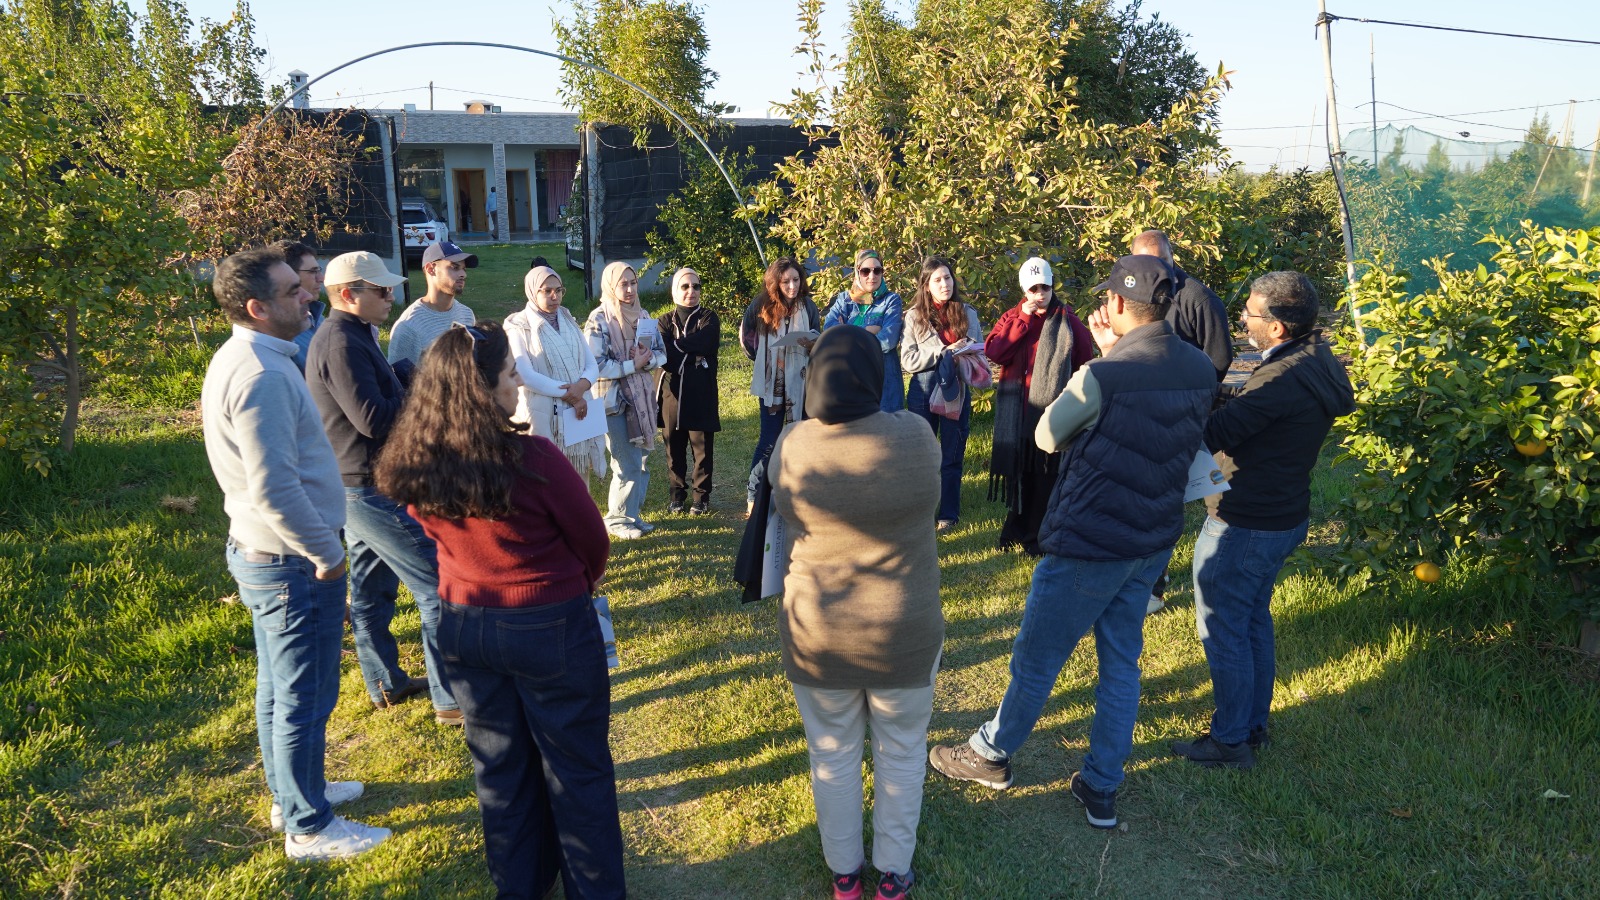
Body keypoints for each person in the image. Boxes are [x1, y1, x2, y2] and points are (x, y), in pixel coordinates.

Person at [929, 255, 1216, 831]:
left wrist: (1104, 362)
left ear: (1113, 306)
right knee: (1121, 663)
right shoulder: (1201, 369)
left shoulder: (1102, 374)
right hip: (1152, 539)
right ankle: (1102, 784)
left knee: (1037, 658)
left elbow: (1047, 433)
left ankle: (990, 754)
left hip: (1091, 539)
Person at [373, 322, 625, 899]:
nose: (518, 384)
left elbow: (422, 523)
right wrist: (572, 582)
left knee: (500, 768)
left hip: (465, 625)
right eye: (511, 374)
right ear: (480, 390)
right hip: (550, 624)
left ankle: (521, 885)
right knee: (577, 768)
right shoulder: (533, 458)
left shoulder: (415, 462)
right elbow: (592, 538)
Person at [201, 246, 388, 861]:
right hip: (290, 560)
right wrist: (326, 557)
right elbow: (274, 487)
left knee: (279, 688)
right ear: (257, 308)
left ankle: (292, 792)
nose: (308, 295)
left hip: (267, 553)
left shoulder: (251, 356)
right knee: (304, 696)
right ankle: (309, 826)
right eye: (292, 291)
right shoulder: (260, 374)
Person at [770, 325, 941, 900]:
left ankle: (845, 873)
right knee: (902, 749)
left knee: (832, 752)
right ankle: (894, 871)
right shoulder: (918, 437)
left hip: (818, 632)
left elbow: (775, 494)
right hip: (905, 630)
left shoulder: (794, 445)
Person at [1171, 271, 1354, 769]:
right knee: (1251, 621)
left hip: (1245, 523)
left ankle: (1230, 740)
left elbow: (1219, 430)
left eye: (1251, 314)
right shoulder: (1314, 360)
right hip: (1282, 516)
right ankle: (1251, 725)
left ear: (1276, 327)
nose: (1244, 322)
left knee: (1224, 627)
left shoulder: (1280, 376)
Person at [306, 251, 460, 725]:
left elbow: (380, 396)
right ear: (349, 295)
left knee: (372, 589)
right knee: (438, 588)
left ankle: (383, 683)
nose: (392, 296)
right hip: (366, 487)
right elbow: (374, 420)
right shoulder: (340, 344)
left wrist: (400, 380)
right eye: (382, 290)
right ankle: (451, 700)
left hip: (357, 483)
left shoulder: (355, 334)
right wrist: (414, 389)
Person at [1130, 229, 1234, 614]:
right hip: (1144, 414)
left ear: (1172, 258)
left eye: (1160, 262)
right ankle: (1151, 584)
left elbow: (1219, 360)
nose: (1154, 271)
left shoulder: (1198, 299)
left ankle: (1204, 577)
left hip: (1187, 416)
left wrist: (1185, 394)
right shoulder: (1137, 295)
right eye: (1145, 264)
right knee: (1151, 502)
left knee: (1197, 499)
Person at [984, 257, 1093, 555]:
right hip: (1018, 412)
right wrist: (1022, 319)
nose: (1040, 294)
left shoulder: (1066, 320)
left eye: (1044, 287)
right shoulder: (1012, 317)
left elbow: (1085, 357)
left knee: (1044, 476)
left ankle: (1037, 536)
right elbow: (995, 351)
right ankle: (1014, 532)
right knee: (1021, 475)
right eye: (1033, 289)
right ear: (1024, 290)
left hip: (1050, 412)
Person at [900, 257, 985, 532]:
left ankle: (948, 515)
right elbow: (908, 360)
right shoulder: (914, 316)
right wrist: (941, 352)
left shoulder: (967, 313)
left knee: (952, 453)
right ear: (926, 286)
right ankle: (920, 512)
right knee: (921, 454)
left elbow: (979, 352)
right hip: (924, 388)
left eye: (947, 278)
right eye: (937, 280)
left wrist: (964, 352)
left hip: (955, 389)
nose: (944, 284)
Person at [584, 261, 667, 539]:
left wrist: (648, 359)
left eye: (633, 282)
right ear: (611, 286)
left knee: (640, 459)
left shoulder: (643, 315)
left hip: (642, 398)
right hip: (613, 402)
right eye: (623, 284)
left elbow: (661, 353)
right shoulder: (599, 319)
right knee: (625, 461)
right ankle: (617, 520)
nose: (630, 289)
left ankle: (632, 515)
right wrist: (634, 365)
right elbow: (595, 365)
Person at [505, 265, 607, 481]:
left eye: (559, 290)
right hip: (542, 412)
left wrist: (580, 387)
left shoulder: (567, 319)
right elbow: (525, 374)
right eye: (547, 291)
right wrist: (570, 395)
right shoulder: (518, 325)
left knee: (579, 479)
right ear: (533, 291)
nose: (555, 296)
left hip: (577, 409)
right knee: (545, 476)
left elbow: (591, 365)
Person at [741, 257, 819, 512]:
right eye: (786, 282)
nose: (792, 286)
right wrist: (765, 360)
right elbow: (747, 338)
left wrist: (811, 345)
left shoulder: (808, 306)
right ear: (776, 283)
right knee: (770, 440)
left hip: (801, 382)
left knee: (801, 436)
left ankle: (799, 492)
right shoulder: (760, 305)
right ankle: (755, 495)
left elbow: (818, 337)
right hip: (771, 384)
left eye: (796, 280)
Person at [657, 267, 721, 516]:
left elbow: (708, 341)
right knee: (673, 448)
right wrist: (690, 355)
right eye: (685, 286)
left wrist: (674, 347)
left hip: (700, 392)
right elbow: (664, 357)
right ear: (674, 290)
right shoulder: (664, 321)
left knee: (702, 448)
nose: (691, 291)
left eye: (696, 286)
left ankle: (701, 498)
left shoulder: (709, 318)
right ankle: (676, 496)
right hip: (670, 393)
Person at [823, 249, 904, 412]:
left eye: (877, 270)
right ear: (857, 272)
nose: (872, 276)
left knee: (885, 434)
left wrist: (846, 331)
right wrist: (869, 330)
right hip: (850, 378)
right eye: (866, 271)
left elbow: (888, 341)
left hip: (884, 381)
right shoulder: (844, 299)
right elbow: (829, 331)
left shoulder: (891, 300)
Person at [387, 241, 478, 371]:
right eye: (455, 267)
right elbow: (399, 385)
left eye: (464, 269)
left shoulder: (467, 314)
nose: (463, 274)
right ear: (431, 269)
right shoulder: (408, 327)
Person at [273, 240, 326, 374]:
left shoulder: (317, 317)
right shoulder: (281, 334)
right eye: (313, 272)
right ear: (288, 275)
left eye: (319, 270)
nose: (321, 278)